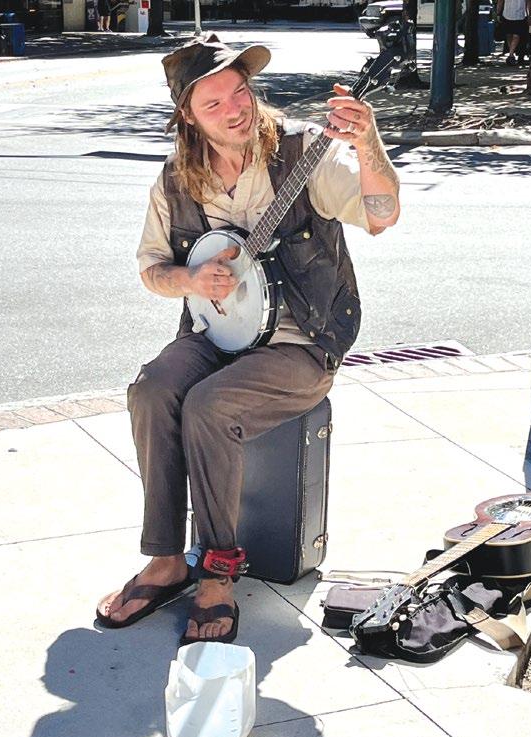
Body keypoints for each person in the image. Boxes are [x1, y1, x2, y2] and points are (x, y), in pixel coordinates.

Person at [95, 34, 400, 644]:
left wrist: (368, 144)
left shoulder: (303, 152)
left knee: (210, 406)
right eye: (213, 103)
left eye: (239, 92)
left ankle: (216, 573)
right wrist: (190, 280)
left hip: (302, 341)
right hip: (218, 332)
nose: (235, 110)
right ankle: (164, 560)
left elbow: (381, 214)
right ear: (188, 117)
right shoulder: (177, 180)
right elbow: (152, 268)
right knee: (152, 389)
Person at [497, 0, 529, 65]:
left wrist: (498, 13)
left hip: (515, 14)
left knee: (514, 35)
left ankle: (511, 54)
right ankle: (511, 53)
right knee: (511, 35)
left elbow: (500, 1)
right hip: (514, 14)